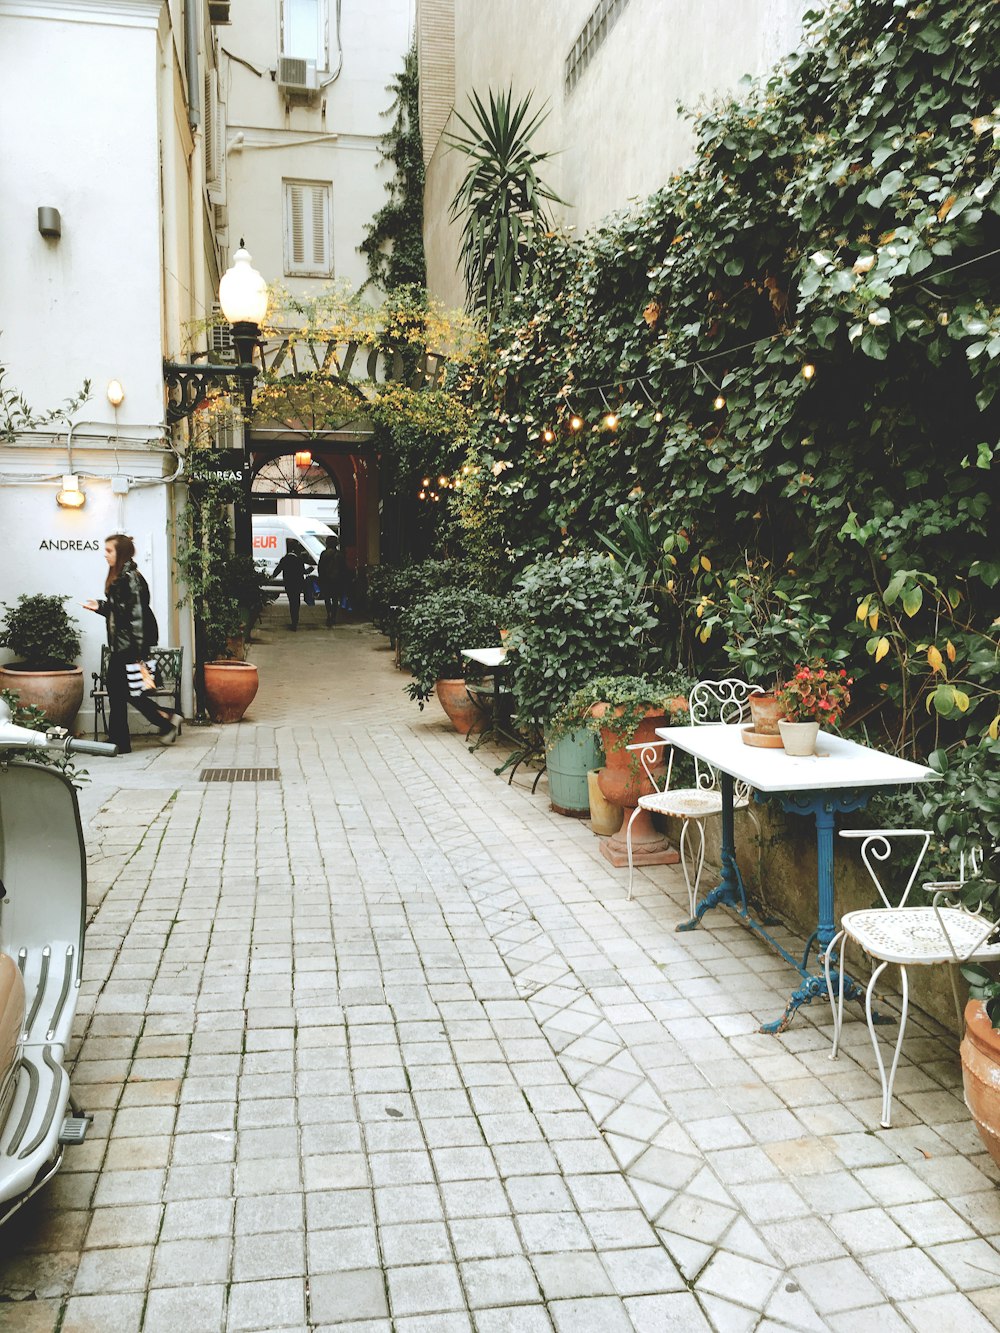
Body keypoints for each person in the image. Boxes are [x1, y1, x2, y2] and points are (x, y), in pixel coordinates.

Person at [83, 534, 181, 753]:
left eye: (109, 550)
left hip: (129, 648)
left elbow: (137, 618)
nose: (105, 554)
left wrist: (138, 653)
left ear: (121, 553)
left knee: (124, 691)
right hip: (123, 646)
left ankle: (160, 722)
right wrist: (99, 606)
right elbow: (120, 612)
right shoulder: (121, 578)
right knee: (123, 692)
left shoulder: (131, 578)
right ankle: (138, 733)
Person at [273, 539, 315, 630]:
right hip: (298, 584)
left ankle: (293, 621)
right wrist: (310, 570)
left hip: (288, 583)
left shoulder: (284, 559)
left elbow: (277, 570)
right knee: (296, 602)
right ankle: (295, 620)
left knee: (291, 601)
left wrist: (271, 577)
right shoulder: (299, 559)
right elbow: (303, 571)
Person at [316, 535, 343, 628]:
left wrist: (321, 578)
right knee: (335, 599)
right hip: (337, 580)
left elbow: (320, 567)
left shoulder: (324, 554)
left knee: (327, 598)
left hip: (326, 580)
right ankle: (334, 616)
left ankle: (329, 613)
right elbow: (343, 569)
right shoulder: (339, 554)